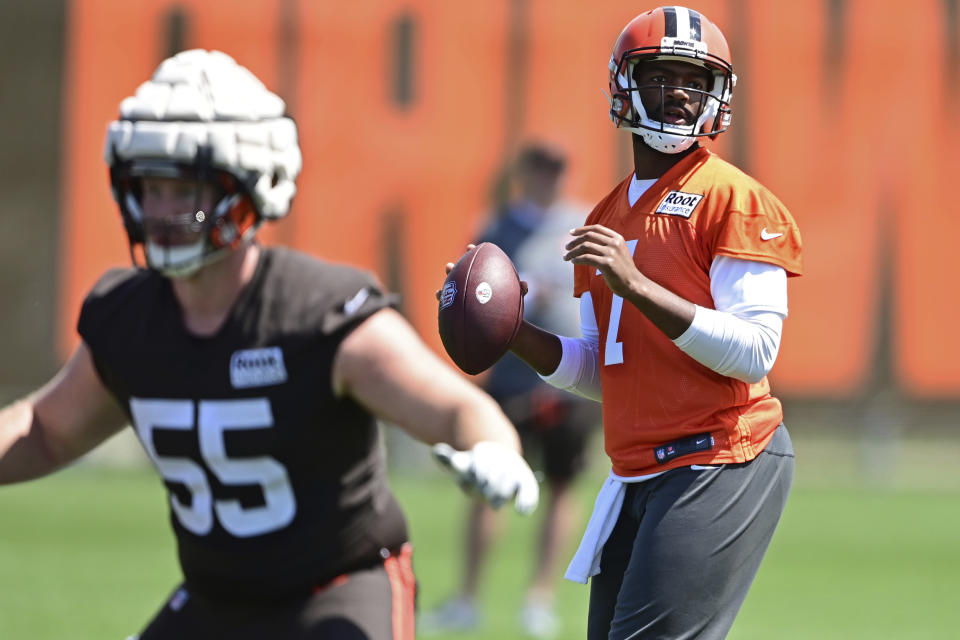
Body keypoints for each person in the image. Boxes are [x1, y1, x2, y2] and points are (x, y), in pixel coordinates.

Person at [0, 49, 540, 640]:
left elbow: (457, 410)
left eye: (183, 191)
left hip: (338, 587)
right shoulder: (127, 316)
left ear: (248, 186)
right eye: (147, 187)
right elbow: (46, 430)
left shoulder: (316, 312)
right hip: (215, 598)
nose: (159, 211)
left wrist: (494, 449)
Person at [449, 6, 803, 639]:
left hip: (720, 454)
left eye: (694, 80)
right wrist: (513, 331)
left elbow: (756, 352)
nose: (678, 92)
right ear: (623, 85)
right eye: (661, 75)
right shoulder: (608, 213)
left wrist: (636, 286)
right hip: (641, 465)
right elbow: (602, 368)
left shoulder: (733, 197)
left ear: (716, 94)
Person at [421, 145, 600, 638]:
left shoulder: (583, 223)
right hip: (513, 377)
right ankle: (467, 597)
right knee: (487, 482)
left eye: (557, 167)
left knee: (562, 485)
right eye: (541, 166)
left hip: (571, 376)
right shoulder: (498, 228)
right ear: (523, 171)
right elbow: (472, 282)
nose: (550, 176)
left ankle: (539, 598)